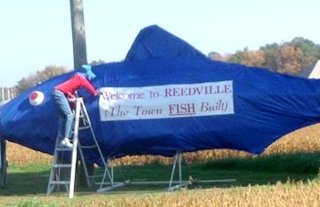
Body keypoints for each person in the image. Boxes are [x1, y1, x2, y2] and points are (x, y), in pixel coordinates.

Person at [51, 65, 98, 148]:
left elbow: (69, 92)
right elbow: (89, 87)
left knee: (64, 117)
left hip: (57, 93)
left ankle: (62, 140)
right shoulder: (81, 79)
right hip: (59, 93)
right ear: (87, 74)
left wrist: (73, 100)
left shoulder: (75, 79)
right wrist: (95, 93)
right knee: (69, 115)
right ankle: (66, 139)